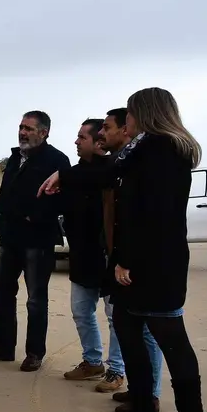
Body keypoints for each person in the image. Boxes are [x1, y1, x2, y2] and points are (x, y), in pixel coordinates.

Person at [40, 87, 207, 412]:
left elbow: (155, 216)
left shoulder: (162, 149)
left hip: (156, 263)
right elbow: (108, 175)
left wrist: (127, 260)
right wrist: (63, 176)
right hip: (139, 260)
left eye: (130, 113)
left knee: (171, 339)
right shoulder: (142, 150)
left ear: (145, 113)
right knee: (129, 330)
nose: (125, 119)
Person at [0, 111, 71, 372]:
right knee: (3, 292)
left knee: (36, 299)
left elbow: (62, 201)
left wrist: (33, 217)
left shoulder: (57, 160)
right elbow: (5, 193)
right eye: (21, 127)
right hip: (10, 238)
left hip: (38, 241)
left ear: (44, 132)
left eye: (29, 128)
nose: (23, 132)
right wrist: (0, 220)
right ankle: (4, 346)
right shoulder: (16, 156)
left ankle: (34, 353)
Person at [97, 109, 165, 412]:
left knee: (147, 329)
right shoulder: (120, 162)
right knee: (130, 327)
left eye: (107, 128)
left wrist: (126, 260)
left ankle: (149, 395)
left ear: (126, 129)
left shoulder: (138, 162)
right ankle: (139, 391)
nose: (103, 133)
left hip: (139, 261)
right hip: (122, 257)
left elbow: (138, 217)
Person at [61, 118, 126, 391]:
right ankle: (92, 361)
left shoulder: (111, 170)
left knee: (115, 316)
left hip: (109, 256)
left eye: (82, 137)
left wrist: (61, 176)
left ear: (98, 142)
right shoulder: (74, 173)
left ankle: (117, 370)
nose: (76, 141)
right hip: (81, 254)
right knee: (81, 311)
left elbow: (101, 179)